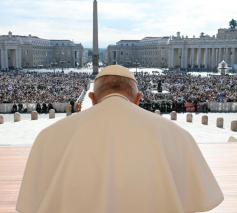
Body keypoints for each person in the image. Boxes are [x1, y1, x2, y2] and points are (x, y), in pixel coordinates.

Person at [17, 65, 223, 213]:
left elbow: (30, 204)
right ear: (138, 98)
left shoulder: (48, 136)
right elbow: (201, 200)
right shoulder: (177, 135)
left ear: (92, 98)